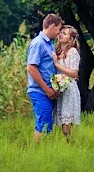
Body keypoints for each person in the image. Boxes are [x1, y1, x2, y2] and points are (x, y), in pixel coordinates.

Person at [26, 13, 62, 143]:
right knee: (43, 124)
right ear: (52, 26)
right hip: (40, 91)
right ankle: (36, 153)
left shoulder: (50, 44)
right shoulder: (38, 43)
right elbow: (31, 68)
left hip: (48, 91)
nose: (58, 33)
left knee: (48, 123)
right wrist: (47, 89)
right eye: (58, 29)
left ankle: (44, 150)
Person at [52, 25, 81, 141]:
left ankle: (71, 144)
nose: (61, 34)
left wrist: (57, 64)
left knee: (66, 123)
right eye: (61, 32)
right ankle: (69, 144)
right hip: (60, 88)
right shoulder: (57, 51)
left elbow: (74, 73)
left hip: (69, 89)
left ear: (71, 38)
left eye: (65, 33)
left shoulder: (73, 51)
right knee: (61, 123)